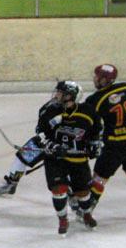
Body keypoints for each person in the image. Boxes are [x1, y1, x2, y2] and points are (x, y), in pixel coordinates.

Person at [84, 64, 126, 214]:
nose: (94, 78)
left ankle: (87, 208)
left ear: (103, 79)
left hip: (116, 143)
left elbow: (88, 124)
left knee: (100, 176)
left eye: (97, 76)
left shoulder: (95, 99)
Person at [36, 81, 102, 234]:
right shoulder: (49, 110)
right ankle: (63, 219)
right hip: (55, 159)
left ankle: (86, 214)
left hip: (78, 159)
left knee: (83, 193)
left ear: (71, 96)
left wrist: (94, 145)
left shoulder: (87, 111)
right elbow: (40, 134)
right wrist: (53, 146)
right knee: (59, 189)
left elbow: (97, 131)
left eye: (61, 93)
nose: (57, 96)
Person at [0, 84, 65, 197]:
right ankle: (11, 184)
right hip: (45, 141)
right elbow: (41, 124)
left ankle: (75, 194)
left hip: (64, 145)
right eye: (57, 91)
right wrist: (42, 133)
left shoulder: (75, 112)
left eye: (60, 92)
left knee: (67, 172)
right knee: (22, 157)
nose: (56, 95)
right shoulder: (51, 106)